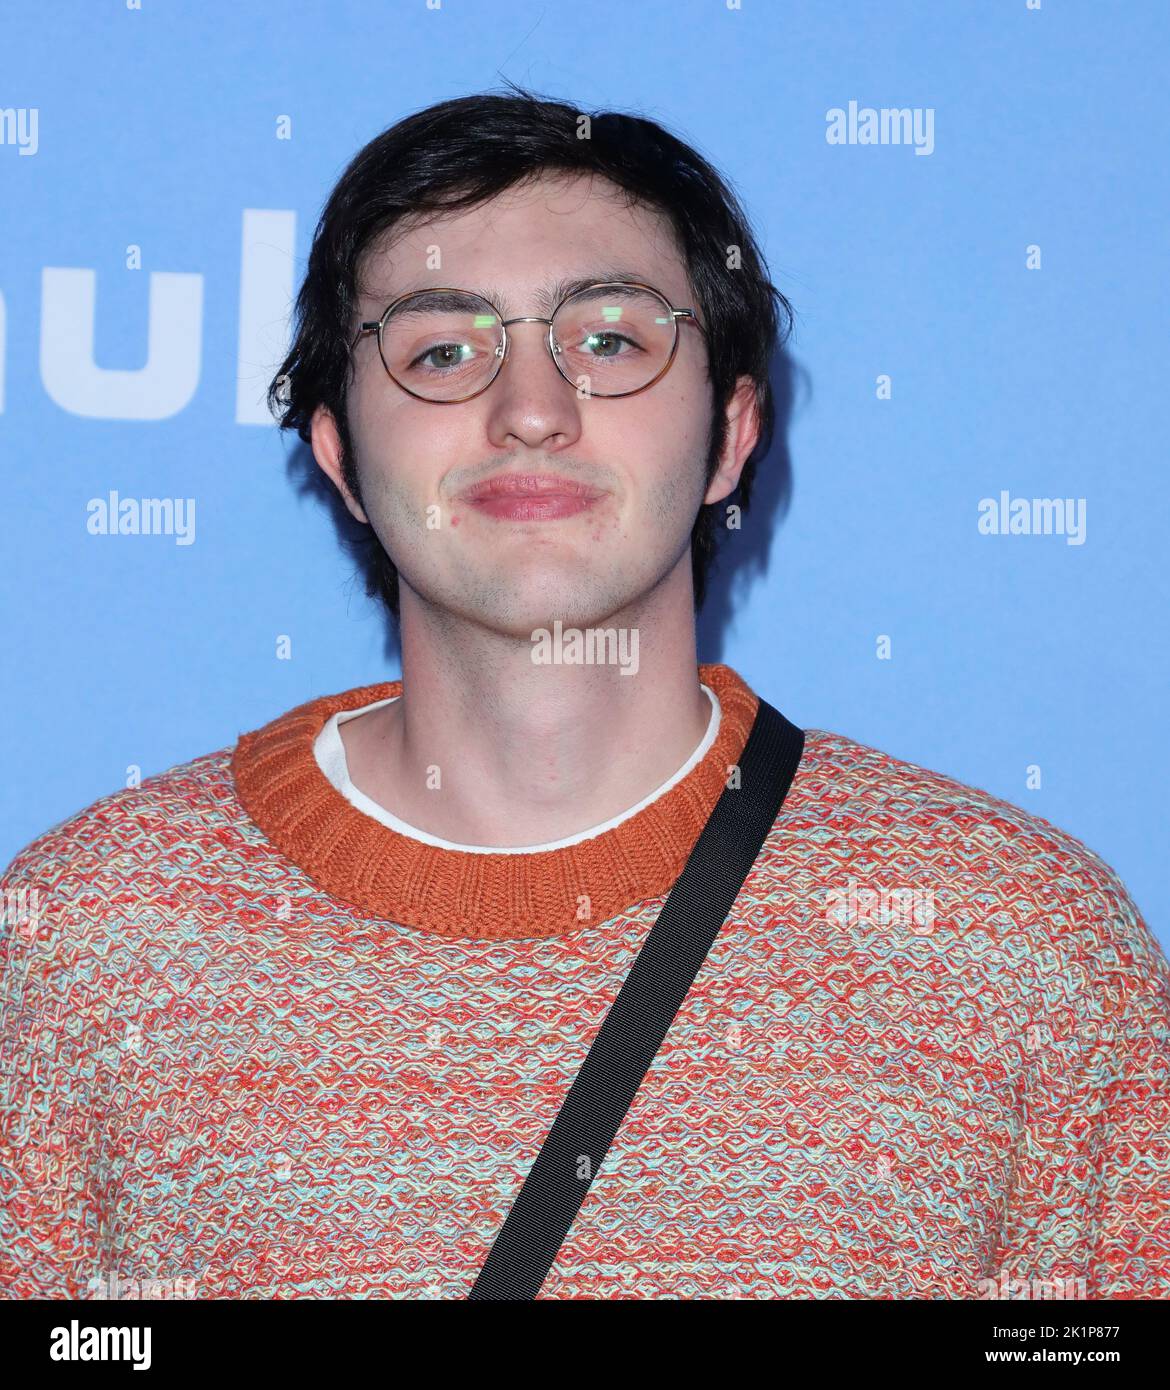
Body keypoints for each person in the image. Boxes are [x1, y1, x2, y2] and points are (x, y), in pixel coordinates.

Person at [2, 85, 1167, 1301]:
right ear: (341, 457)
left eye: (610, 339)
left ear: (730, 432)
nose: (531, 413)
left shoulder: (1022, 943)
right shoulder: (84, 944)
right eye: (442, 350)